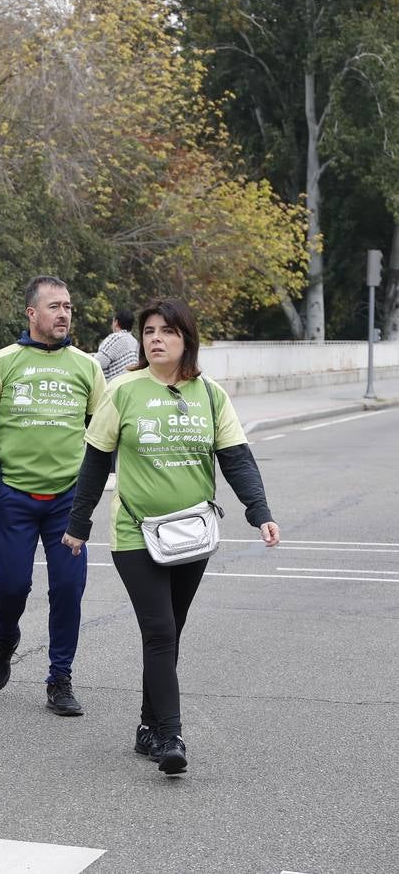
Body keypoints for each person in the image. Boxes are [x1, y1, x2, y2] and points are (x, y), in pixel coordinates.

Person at [63, 298, 279, 775]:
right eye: (149, 331)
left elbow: (237, 457)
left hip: (191, 533)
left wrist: (258, 510)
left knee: (169, 632)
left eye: (167, 331)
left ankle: (147, 725)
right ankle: (171, 736)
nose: (155, 338)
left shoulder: (211, 395)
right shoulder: (122, 391)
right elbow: (96, 459)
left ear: (187, 338)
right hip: (135, 532)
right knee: (159, 630)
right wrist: (79, 525)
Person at [0, 275, 104, 717]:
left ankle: (59, 679)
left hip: (67, 501)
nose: (63, 313)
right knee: (12, 586)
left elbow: (102, 435)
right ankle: (6, 640)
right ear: (32, 313)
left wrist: (87, 495)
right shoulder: (3, 362)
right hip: (14, 499)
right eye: (54, 306)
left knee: (68, 588)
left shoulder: (87, 366)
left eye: (68, 306)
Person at [95, 309, 140, 382]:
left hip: (115, 387)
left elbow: (98, 362)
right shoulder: (135, 342)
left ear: (116, 322)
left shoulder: (115, 338)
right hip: (132, 384)